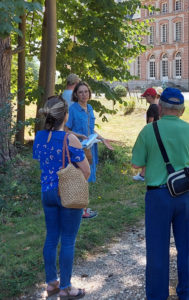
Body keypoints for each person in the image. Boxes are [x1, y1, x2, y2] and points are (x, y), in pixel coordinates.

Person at [132, 87, 189, 300]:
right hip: (185, 195)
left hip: (157, 196)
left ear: (160, 107)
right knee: (188, 248)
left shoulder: (149, 131)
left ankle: (157, 295)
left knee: (157, 250)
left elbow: (136, 163)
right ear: (182, 110)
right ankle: (186, 294)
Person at [33, 96, 89, 299]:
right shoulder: (69, 139)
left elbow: (43, 160)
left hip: (46, 193)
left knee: (51, 238)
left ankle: (51, 284)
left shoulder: (39, 136)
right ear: (65, 115)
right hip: (66, 194)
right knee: (67, 240)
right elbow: (86, 171)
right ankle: (66, 287)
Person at [65, 81, 113, 219]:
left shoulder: (90, 108)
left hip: (90, 148)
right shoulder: (73, 109)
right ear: (76, 94)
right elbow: (66, 130)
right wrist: (80, 136)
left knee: (85, 178)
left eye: (86, 91)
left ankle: (80, 208)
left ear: (89, 93)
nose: (84, 94)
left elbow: (91, 130)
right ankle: (81, 210)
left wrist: (103, 139)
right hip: (78, 149)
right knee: (80, 178)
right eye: (80, 92)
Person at [133, 87, 160, 182]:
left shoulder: (152, 107)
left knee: (147, 154)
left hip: (152, 134)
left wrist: (146, 133)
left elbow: (150, 122)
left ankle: (142, 175)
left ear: (150, 96)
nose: (145, 98)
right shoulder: (157, 106)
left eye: (146, 96)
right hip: (157, 133)